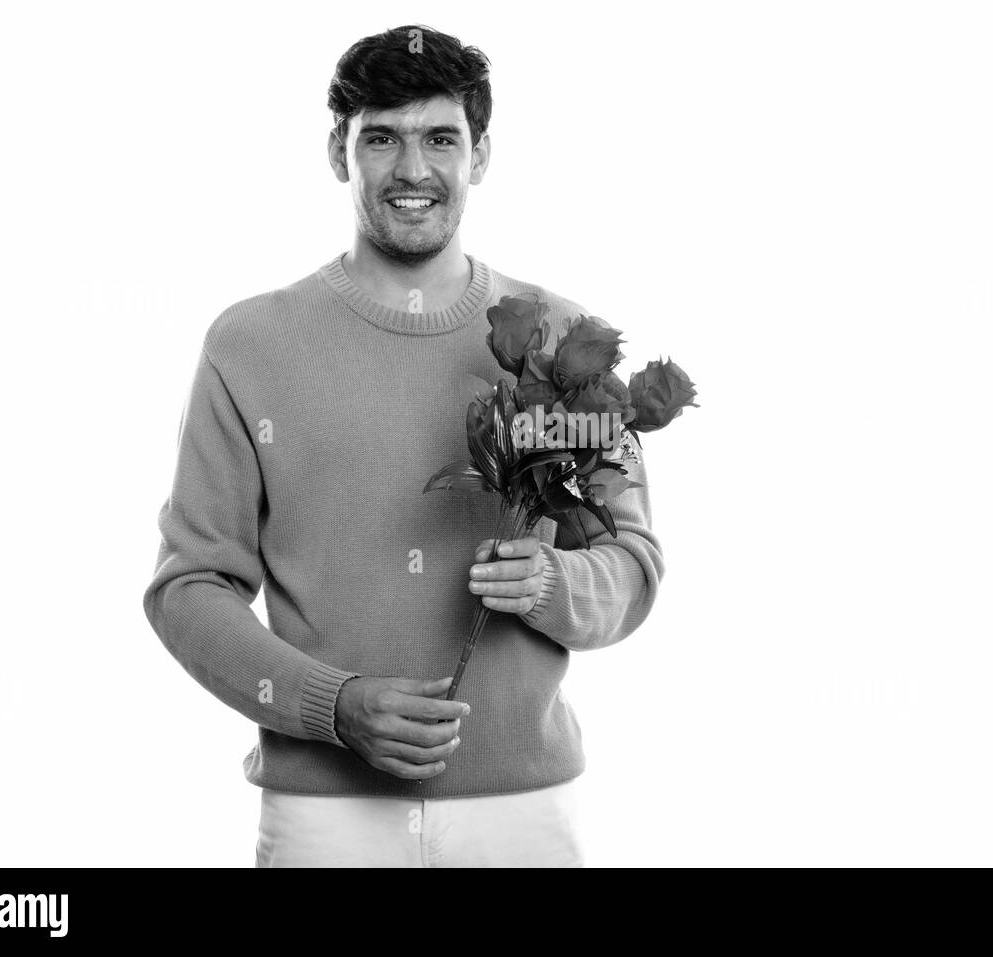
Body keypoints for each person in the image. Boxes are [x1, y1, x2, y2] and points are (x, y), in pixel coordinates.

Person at [142, 23, 663, 868]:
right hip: (325, 819)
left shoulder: (569, 342)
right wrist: (332, 705)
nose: (413, 169)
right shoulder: (248, 346)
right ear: (337, 151)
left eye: (440, 139)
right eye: (380, 137)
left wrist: (552, 580)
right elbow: (189, 586)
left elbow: (633, 562)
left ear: (481, 154)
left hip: (523, 814)